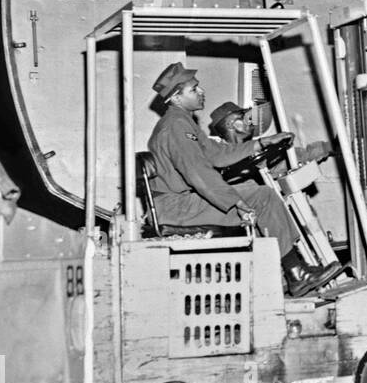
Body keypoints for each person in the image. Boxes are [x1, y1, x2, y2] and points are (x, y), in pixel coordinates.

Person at [146, 63, 341, 297]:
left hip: (180, 203)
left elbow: (217, 155)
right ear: (176, 97)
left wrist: (260, 143)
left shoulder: (182, 121)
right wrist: (236, 202)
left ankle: (293, 269)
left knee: (259, 195)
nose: (201, 92)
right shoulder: (176, 126)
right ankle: (296, 273)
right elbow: (197, 173)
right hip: (176, 208)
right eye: (193, 90)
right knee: (263, 197)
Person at [207, 101, 332, 166]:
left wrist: (328, 147)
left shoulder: (254, 150)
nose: (249, 119)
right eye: (242, 116)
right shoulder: (219, 154)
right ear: (230, 124)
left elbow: (289, 161)